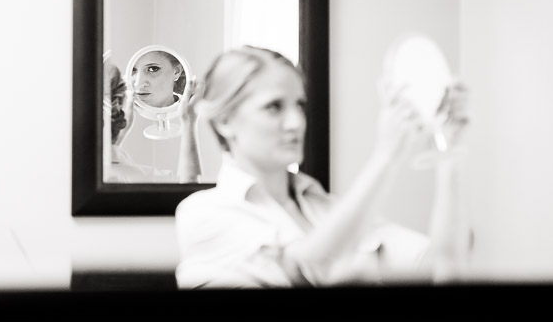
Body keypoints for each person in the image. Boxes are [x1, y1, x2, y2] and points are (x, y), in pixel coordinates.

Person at [174, 45, 471, 288]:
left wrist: (447, 153)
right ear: (225, 121)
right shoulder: (203, 215)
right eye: (274, 107)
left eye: (299, 105)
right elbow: (311, 265)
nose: (296, 122)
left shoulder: (328, 208)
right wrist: (385, 156)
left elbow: (440, 265)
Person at [104, 59, 202, 184]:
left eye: (153, 69)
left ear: (177, 72)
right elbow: (189, 189)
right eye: (134, 70)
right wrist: (189, 122)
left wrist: (117, 137)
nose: (139, 82)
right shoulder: (137, 177)